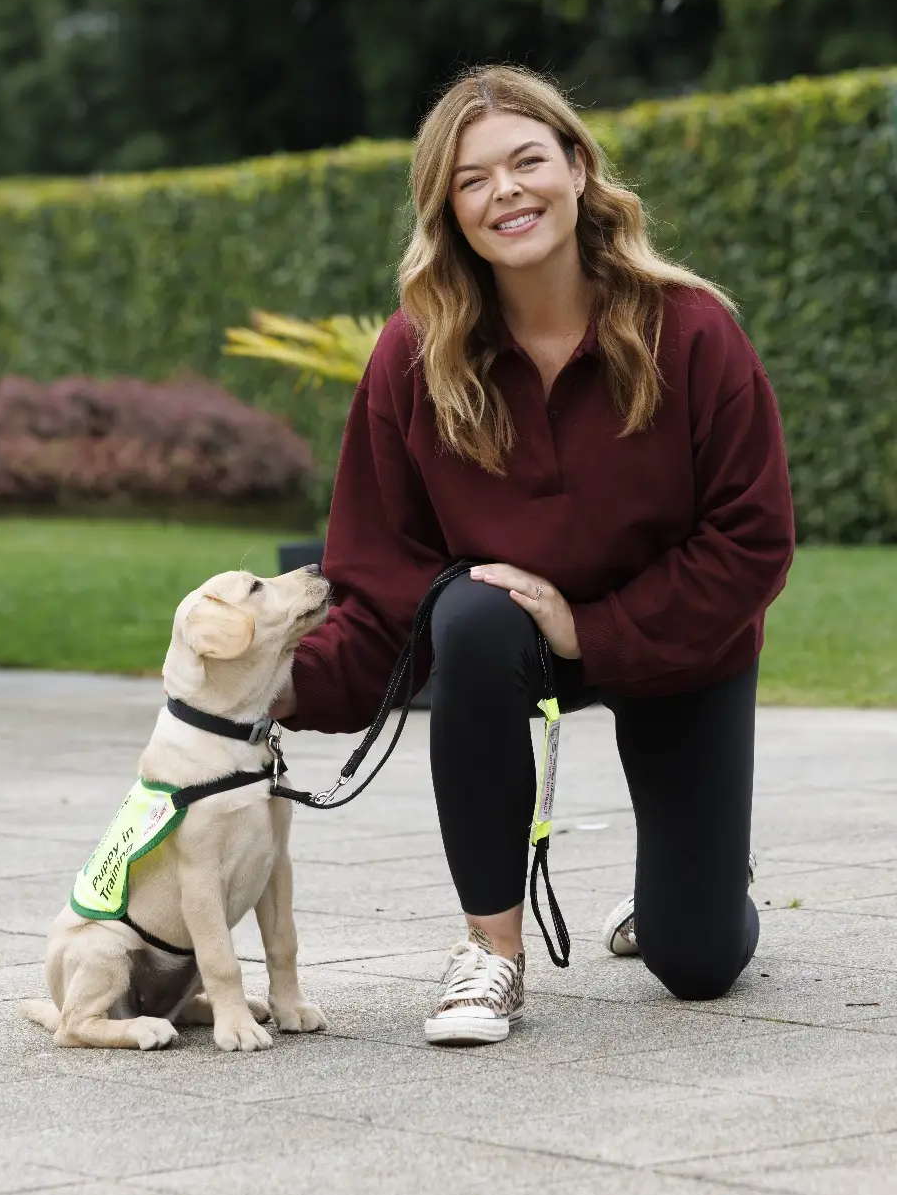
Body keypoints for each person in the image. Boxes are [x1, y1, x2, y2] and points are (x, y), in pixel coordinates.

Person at [273, 64, 794, 1047]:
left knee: (697, 961)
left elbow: (752, 540)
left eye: (525, 162)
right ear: (448, 212)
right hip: (507, 640)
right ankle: (489, 951)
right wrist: (273, 690)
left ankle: (706, 884)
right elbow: (384, 580)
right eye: (472, 180)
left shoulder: (692, 333)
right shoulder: (412, 358)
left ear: (578, 169)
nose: (505, 191)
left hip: (681, 641)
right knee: (466, 611)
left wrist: (591, 627)